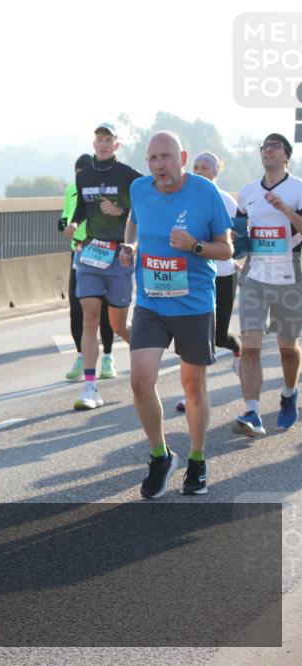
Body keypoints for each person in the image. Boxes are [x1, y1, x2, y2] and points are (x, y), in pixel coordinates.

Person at [122, 131, 233, 498]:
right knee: (140, 381)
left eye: (166, 157)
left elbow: (226, 248)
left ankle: (197, 461)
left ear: (182, 157)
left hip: (193, 303)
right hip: (151, 302)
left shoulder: (205, 192)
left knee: (193, 386)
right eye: (152, 159)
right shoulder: (139, 189)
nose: (158, 166)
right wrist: (131, 247)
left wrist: (195, 246)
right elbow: (134, 222)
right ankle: (160, 455)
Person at [231, 133, 302, 436]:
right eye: (265, 146)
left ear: (286, 156)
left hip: (289, 276)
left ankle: (288, 394)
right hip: (254, 276)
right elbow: (237, 234)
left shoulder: (298, 189)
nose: (268, 150)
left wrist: (286, 210)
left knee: (287, 348)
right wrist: (236, 241)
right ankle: (252, 412)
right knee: (250, 346)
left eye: (275, 147)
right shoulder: (247, 192)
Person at [71, 122, 142, 410]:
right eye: (99, 138)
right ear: (94, 143)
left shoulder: (129, 176)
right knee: (90, 316)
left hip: (119, 255)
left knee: (117, 324)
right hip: (90, 253)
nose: (102, 143)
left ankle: (145, 362)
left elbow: (145, 207)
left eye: (108, 139)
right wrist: (74, 223)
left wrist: (121, 210)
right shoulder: (84, 175)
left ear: (116, 144)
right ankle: (90, 387)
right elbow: (81, 209)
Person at [175, 151, 242, 412]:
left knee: (218, 336)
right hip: (194, 275)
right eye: (196, 166)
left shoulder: (226, 200)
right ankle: (191, 395)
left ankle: (237, 348)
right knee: (193, 339)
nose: (200, 170)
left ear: (216, 172)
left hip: (223, 274)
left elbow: (241, 236)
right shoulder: (185, 198)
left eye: (205, 167)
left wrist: (237, 256)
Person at [61, 153, 117, 380]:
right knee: (76, 310)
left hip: (105, 252)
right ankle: (81, 356)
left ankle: (107, 357)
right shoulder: (71, 190)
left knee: (104, 311)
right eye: (77, 177)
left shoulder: (106, 190)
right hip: (79, 253)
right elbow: (66, 215)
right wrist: (66, 225)